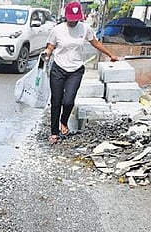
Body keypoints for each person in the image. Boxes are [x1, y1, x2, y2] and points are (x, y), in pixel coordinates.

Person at [42, 1, 119, 145]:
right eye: (71, 18)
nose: (73, 21)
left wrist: (110, 54)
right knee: (56, 101)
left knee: (69, 101)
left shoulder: (85, 28)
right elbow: (50, 46)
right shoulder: (57, 30)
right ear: (66, 16)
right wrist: (47, 53)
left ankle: (63, 122)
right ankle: (54, 132)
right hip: (58, 69)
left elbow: (95, 43)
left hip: (76, 70)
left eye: (76, 18)